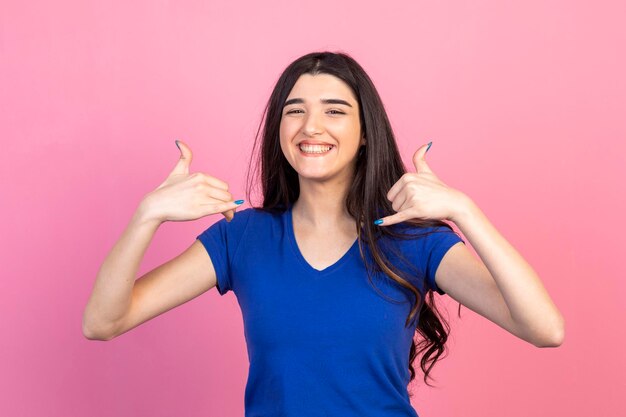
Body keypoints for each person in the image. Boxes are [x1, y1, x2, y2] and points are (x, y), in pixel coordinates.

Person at [83, 51, 565, 416]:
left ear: (363, 135)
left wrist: (465, 211)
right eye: (295, 110)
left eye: (334, 110)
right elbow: (103, 323)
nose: (311, 125)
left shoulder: (413, 241)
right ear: (279, 128)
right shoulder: (242, 237)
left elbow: (544, 330)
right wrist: (146, 216)